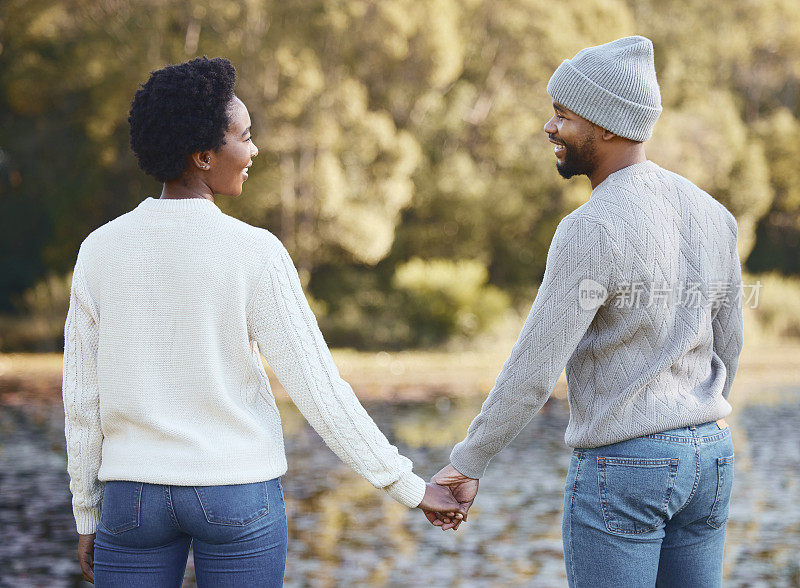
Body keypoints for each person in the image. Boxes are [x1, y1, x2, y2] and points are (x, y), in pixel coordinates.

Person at [62, 56, 463, 587]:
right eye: (244, 137)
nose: (254, 151)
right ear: (203, 156)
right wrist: (409, 487)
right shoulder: (253, 252)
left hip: (132, 501)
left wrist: (87, 515)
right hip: (235, 492)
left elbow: (82, 401)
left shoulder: (99, 250)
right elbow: (320, 391)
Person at [427, 36, 743, 587]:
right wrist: (700, 413)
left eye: (562, 115)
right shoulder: (713, 215)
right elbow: (729, 342)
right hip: (710, 456)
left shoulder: (590, 229)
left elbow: (534, 368)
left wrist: (470, 460)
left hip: (626, 469)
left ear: (607, 126)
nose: (550, 128)